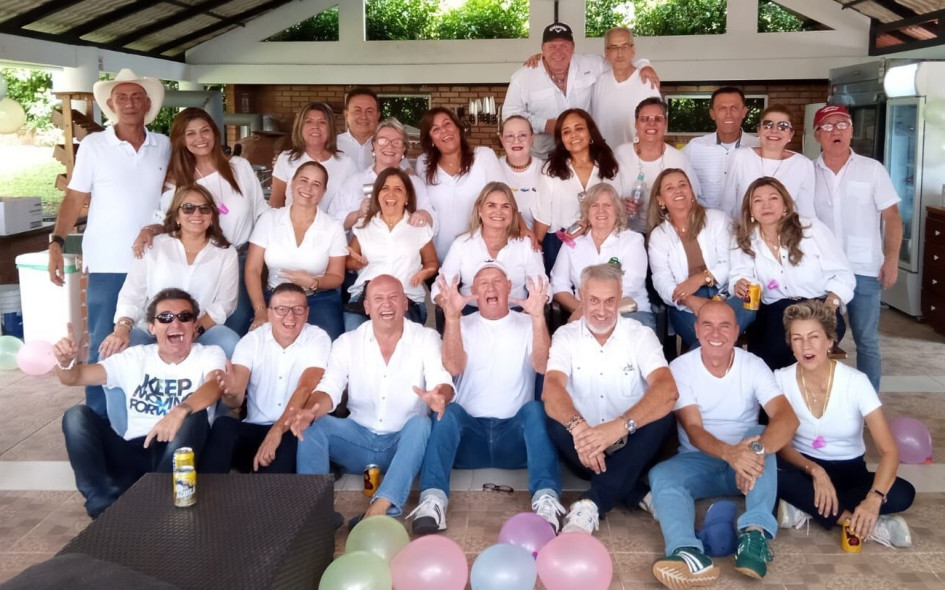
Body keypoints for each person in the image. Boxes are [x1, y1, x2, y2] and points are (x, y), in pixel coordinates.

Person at [47, 68, 170, 419]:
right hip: (108, 265)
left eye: (136, 97)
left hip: (154, 263)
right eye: (122, 98)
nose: (130, 104)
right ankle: (100, 422)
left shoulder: (163, 145)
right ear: (111, 105)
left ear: (148, 103)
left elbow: (173, 196)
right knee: (105, 342)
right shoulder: (94, 145)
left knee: (150, 343)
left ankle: (143, 420)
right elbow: (74, 198)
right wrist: (56, 241)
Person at [649, 301, 799, 588]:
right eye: (707, 324)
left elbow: (786, 418)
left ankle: (755, 537)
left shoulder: (753, 365)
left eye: (724, 325)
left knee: (760, 433)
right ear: (695, 329)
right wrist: (731, 455)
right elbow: (693, 429)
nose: (715, 332)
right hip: (701, 459)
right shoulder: (680, 368)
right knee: (661, 475)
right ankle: (687, 553)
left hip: (749, 464)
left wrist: (753, 451)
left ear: (736, 330)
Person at [410, 263, 564, 534]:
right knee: (450, 412)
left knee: (536, 411)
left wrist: (539, 317)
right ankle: (432, 501)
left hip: (514, 440)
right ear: (473, 292)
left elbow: (542, 366)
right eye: (483, 283)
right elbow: (454, 367)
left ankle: (547, 500)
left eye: (497, 281)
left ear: (508, 287)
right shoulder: (462, 324)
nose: (491, 287)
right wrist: (453, 319)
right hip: (471, 438)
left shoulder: (529, 322)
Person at [290, 275, 455, 523]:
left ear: (406, 303)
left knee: (421, 424)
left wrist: (439, 396)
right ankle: (314, 513)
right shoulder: (348, 342)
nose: (386, 305)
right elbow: (330, 389)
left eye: (393, 298)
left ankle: (381, 507)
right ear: (366, 307)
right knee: (313, 426)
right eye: (378, 299)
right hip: (357, 439)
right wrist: (311, 410)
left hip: (402, 446)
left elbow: (441, 380)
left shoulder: (426, 338)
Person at [56, 288, 225, 518]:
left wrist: (180, 411)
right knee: (76, 416)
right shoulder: (134, 358)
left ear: (194, 325)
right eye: (165, 317)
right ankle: (102, 507)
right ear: (152, 327)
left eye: (184, 317)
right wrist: (65, 363)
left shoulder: (209, 354)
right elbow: (75, 377)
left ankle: (157, 501)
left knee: (194, 416)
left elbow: (215, 386)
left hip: (180, 456)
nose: (175, 323)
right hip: (135, 450)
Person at [543, 263, 678, 534]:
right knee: (548, 413)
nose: (602, 310)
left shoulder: (640, 335)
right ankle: (636, 492)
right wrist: (580, 429)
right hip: (584, 447)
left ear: (621, 298)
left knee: (664, 416)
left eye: (609, 301)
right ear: (581, 295)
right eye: (593, 300)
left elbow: (667, 389)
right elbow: (552, 387)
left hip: (632, 442)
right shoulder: (565, 335)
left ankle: (592, 503)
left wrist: (618, 427)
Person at [775, 300, 914, 548]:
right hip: (804, 469)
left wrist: (874, 498)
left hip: (850, 473)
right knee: (770, 471)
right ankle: (854, 521)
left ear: (830, 340)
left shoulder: (856, 382)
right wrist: (815, 471)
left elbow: (890, 452)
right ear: (791, 344)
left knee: (903, 493)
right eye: (797, 338)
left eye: (814, 337)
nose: (806, 346)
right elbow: (781, 444)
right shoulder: (780, 380)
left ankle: (808, 507)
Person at [134, 107, 267, 336]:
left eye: (205, 131)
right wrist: (148, 230)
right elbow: (168, 223)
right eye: (191, 133)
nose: (200, 138)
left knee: (239, 323)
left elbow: (261, 212)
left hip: (243, 258)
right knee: (198, 325)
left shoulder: (239, 168)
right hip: (204, 261)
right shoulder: (177, 181)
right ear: (181, 140)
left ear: (215, 133)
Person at [812, 104, 903, 392]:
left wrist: (891, 259)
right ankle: (824, 399)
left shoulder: (872, 169)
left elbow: (892, 217)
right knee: (820, 338)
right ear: (817, 135)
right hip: (823, 273)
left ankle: (869, 403)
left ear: (851, 131)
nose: (835, 131)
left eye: (842, 124)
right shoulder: (807, 171)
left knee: (866, 340)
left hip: (864, 269)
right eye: (827, 126)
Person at [199, 283, 332, 474]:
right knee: (223, 425)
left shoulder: (318, 338)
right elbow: (235, 399)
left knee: (273, 480)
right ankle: (206, 495)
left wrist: (276, 431)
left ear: (307, 312)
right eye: (281, 309)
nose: (290, 316)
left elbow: (305, 388)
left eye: (298, 309)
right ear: (269, 313)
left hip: (290, 429)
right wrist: (229, 391)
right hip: (254, 428)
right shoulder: (252, 340)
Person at [103, 185, 240, 363]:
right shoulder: (154, 247)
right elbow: (132, 293)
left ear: (212, 216)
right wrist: (122, 328)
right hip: (153, 329)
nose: (197, 214)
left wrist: (192, 330)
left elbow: (225, 303)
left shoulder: (226, 253)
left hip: (200, 328)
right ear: (176, 216)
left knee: (231, 344)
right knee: (112, 352)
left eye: (204, 208)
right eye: (188, 208)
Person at [730, 177, 855, 370]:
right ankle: (772, 398)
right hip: (774, 310)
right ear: (751, 210)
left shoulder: (811, 229)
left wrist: (830, 305)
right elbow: (740, 275)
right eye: (758, 201)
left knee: (809, 342)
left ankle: (808, 396)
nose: (766, 205)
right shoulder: (745, 238)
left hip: (818, 305)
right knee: (770, 347)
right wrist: (740, 283)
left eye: (773, 198)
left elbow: (844, 274)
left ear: (785, 205)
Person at [503, 22, 656, 159]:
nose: (558, 51)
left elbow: (619, 61)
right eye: (552, 46)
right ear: (542, 48)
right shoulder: (524, 77)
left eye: (563, 45)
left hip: (584, 155)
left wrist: (644, 65)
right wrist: (544, 125)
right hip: (542, 157)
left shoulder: (590, 64)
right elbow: (509, 114)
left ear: (573, 47)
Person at [646, 168, 754, 349]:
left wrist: (700, 278)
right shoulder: (659, 235)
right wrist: (689, 300)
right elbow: (660, 279)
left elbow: (731, 262)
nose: (678, 190)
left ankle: (709, 357)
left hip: (726, 292)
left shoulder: (717, 220)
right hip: (687, 300)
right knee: (711, 337)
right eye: (670, 188)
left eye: (683, 185)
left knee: (746, 306)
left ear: (691, 192)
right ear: (660, 200)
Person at [246, 161, 347, 340]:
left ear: (323, 192)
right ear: (292, 183)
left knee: (328, 346)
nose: (308, 188)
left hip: (318, 299)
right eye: (303, 180)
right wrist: (261, 310)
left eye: (316, 184)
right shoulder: (270, 219)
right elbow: (253, 269)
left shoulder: (333, 226)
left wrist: (313, 281)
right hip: (275, 298)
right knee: (260, 343)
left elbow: (337, 277)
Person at [432, 182, 545, 318]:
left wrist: (526, 316)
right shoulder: (462, 244)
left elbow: (542, 287)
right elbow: (441, 286)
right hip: (470, 314)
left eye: (505, 206)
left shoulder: (526, 245)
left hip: (517, 314)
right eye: (491, 205)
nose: (498, 211)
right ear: (480, 210)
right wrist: (455, 315)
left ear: (513, 213)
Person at [551, 182, 654, 330]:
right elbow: (558, 284)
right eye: (594, 205)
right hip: (583, 315)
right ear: (586, 212)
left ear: (617, 211)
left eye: (607, 205)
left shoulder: (632, 240)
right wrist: (582, 309)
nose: (601, 210)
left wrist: (592, 309)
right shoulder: (572, 244)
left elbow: (631, 283)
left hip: (628, 312)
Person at [345, 168, 438, 329]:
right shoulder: (363, 225)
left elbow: (432, 263)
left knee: (396, 340)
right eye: (385, 188)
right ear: (377, 195)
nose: (390, 194)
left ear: (407, 197)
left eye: (398, 189)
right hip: (365, 298)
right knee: (356, 341)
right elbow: (349, 262)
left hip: (407, 298)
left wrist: (424, 273)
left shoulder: (418, 227)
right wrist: (356, 262)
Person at [533, 108, 620, 274]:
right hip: (560, 243)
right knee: (563, 293)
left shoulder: (609, 166)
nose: (573, 135)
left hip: (601, 242)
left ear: (590, 133)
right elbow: (542, 216)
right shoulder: (550, 170)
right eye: (566, 131)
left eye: (579, 128)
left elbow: (616, 208)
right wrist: (538, 253)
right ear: (561, 140)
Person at [416, 107, 504, 263]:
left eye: (447, 124)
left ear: (458, 127)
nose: (444, 131)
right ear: (430, 139)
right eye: (435, 129)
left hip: (479, 256)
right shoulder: (423, 163)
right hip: (437, 258)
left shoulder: (483, 156)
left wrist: (522, 228)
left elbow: (504, 200)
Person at [613, 97, 701, 234]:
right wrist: (619, 204)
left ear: (665, 124)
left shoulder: (678, 158)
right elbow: (606, 193)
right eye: (644, 119)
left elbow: (693, 198)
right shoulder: (620, 154)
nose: (651, 123)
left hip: (666, 233)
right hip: (625, 233)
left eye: (658, 119)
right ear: (636, 123)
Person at [330, 118, 435, 231]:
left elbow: (434, 222)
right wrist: (358, 214)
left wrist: (423, 215)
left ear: (404, 148)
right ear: (373, 145)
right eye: (383, 140)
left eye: (396, 142)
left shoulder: (415, 183)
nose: (389, 146)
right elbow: (333, 221)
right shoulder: (355, 181)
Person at [720, 104, 815, 219]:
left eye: (783, 126)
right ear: (759, 130)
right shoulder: (739, 158)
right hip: (745, 232)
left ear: (791, 134)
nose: (774, 130)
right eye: (768, 125)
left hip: (787, 233)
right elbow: (727, 206)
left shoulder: (803, 164)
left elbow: (806, 213)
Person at [682, 87, 760, 211]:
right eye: (722, 108)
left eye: (734, 108)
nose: (728, 114)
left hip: (745, 225)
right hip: (706, 225)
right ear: (712, 114)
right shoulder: (695, 147)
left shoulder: (758, 147)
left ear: (744, 112)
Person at [269, 102, 357, 210]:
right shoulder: (286, 159)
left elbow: (355, 204)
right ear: (300, 126)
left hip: (335, 226)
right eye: (309, 121)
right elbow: (276, 203)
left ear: (330, 128)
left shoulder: (346, 163)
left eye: (322, 122)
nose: (315, 127)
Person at [590, 27, 662, 149]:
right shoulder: (599, 84)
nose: (620, 53)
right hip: (605, 160)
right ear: (606, 52)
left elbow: (658, 126)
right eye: (614, 48)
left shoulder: (647, 83)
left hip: (636, 160)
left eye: (624, 47)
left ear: (633, 50)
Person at [498, 115, 543, 239]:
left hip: (537, 242)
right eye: (509, 136)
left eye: (522, 135)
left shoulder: (545, 170)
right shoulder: (494, 167)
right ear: (502, 140)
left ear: (532, 138)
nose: (516, 141)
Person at [336, 87, 382, 171]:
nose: (363, 117)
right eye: (357, 111)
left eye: (369, 111)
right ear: (346, 114)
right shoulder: (332, 145)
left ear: (378, 116)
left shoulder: (388, 147)